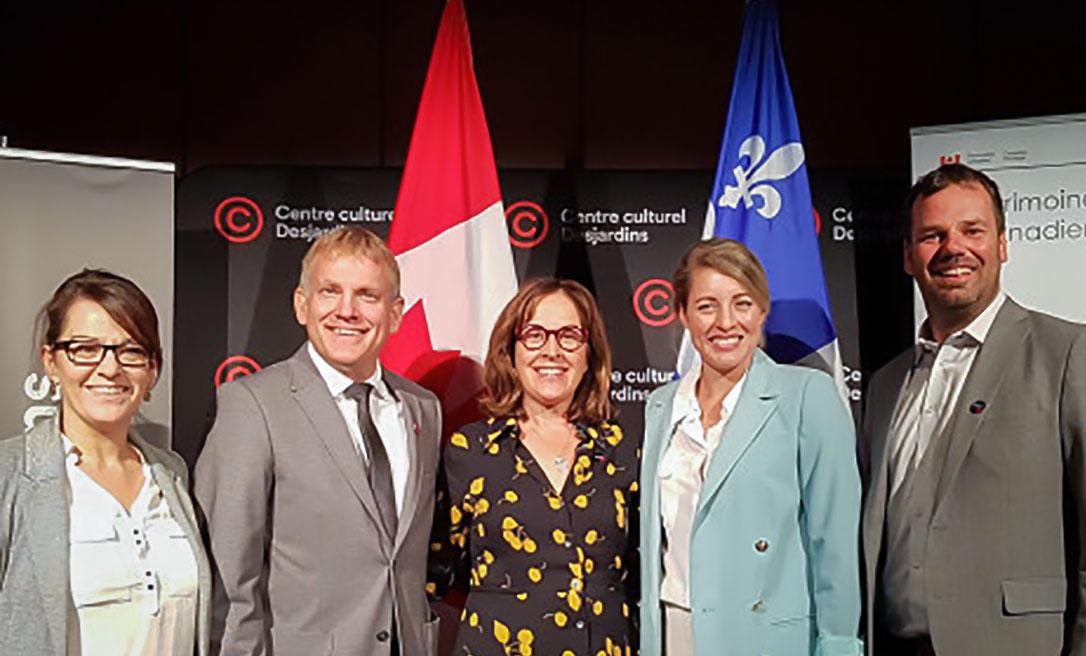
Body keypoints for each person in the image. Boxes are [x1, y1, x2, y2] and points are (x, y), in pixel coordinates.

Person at [860, 163, 1086, 656]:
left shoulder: (1070, 354)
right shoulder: (887, 385)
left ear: (1003, 244)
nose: (954, 248)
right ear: (908, 256)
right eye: (933, 235)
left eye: (973, 230)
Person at [195, 226, 442, 655]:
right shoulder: (253, 405)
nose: (347, 311)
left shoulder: (422, 408)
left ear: (396, 312)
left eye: (367, 295)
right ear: (302, 305)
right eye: (330, 291)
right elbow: (230, 573)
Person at [639, 238, 862, 656]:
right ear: (682, 314)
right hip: (674, 634)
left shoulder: (806, 397)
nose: (726, 322)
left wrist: (837, 646)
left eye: (741, 304)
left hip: (766, 639)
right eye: (707, 306)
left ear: (762, 312)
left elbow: (833, 544)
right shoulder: (660, 407)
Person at [0, 268, 211, 656]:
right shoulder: (10, 475)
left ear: (153, 369)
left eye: (130, 351)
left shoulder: (171, 475)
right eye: (85, 348)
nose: (109, 368)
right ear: (51, 361)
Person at [429, 277, 638, 656]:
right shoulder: (471, 451)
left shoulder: (621, 450)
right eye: (535, 335)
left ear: (589, 352)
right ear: (510, 351)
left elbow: (641, 572)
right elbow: (438, 570)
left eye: (569, 335)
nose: (552, 350)